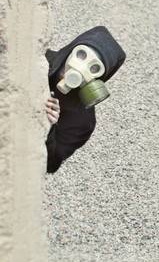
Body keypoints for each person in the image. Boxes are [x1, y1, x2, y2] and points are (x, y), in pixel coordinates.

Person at [43, 26, 125, 174]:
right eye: (81, 54)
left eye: (94, 68)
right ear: (72, 48)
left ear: (99, 80)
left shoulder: (82, 121)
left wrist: (49, 128)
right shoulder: (41, 61)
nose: (80, 67)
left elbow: (50, 164)